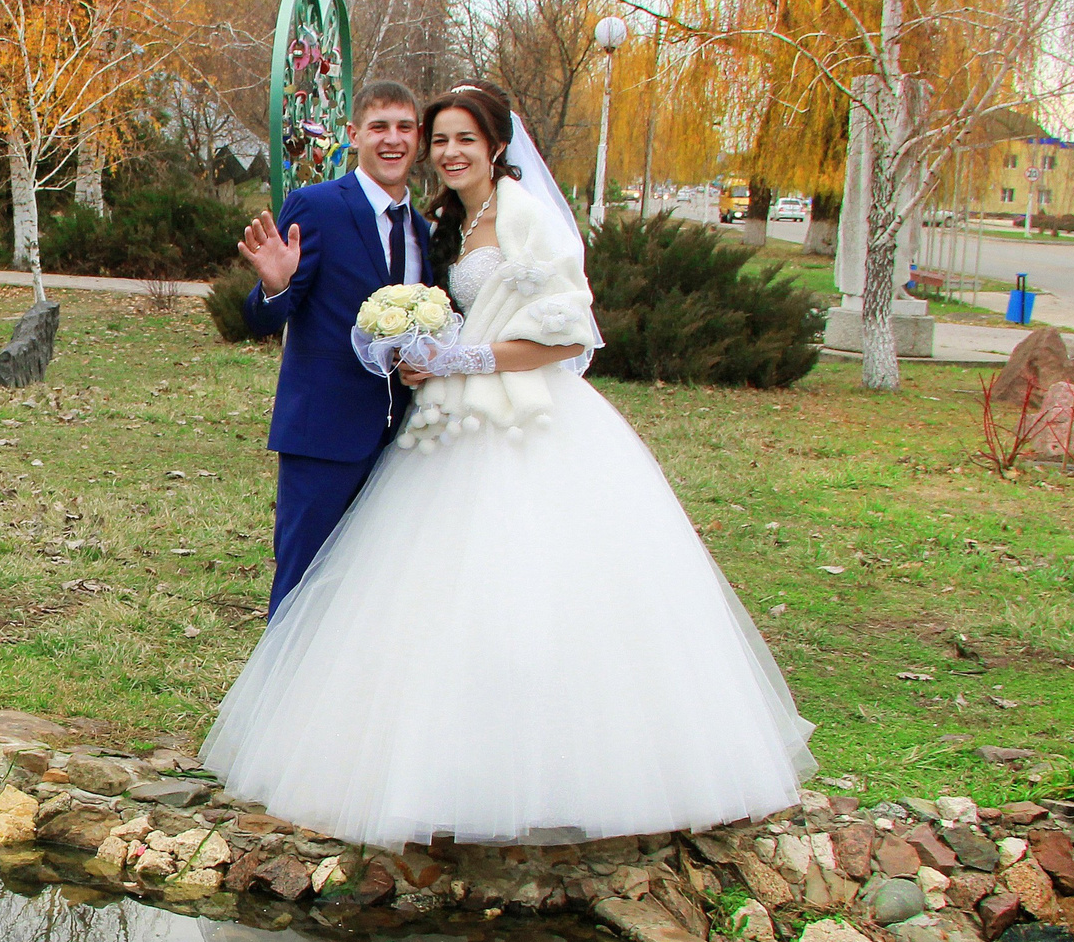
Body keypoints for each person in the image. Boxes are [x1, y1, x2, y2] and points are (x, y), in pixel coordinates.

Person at [202, 83, 813, 849]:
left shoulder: (504, 216)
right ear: (359, 134)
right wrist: (277, 283)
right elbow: (279, 312)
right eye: (436, 137)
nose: (440, 149)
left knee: (520, 592)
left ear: (495, 144)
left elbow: (568, 333)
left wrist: (459, 356)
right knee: (337, 588)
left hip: (510, 421)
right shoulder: (424, 219)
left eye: (453, 137)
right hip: (370, 427)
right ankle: (290, 733)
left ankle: (531, 766)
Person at [234, 82, 434, 612]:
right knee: (302, 585)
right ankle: (280, 696)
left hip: (401, 443)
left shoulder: (423, 229)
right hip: (323, 437)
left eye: (405, 128)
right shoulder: (318, 207)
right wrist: (275, 285)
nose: (393, 140)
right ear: (353, 136)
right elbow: (261, 318)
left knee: (372, 592)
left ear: (418, 137)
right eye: (379, 127)